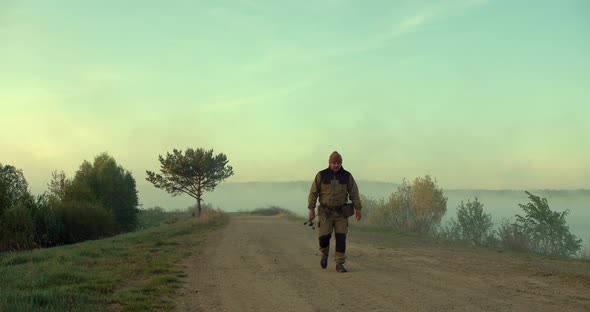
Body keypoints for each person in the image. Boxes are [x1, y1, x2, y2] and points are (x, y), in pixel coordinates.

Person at [308, 151, 362, 272]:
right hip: (325, 213)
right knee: (323, 237)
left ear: (341, 163)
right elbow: (313, 193)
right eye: (333, 163)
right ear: (329, 163)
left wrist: (358, 208)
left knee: (341, 238)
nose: (336, 165)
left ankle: (339, 263)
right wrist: (311, 209)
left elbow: (354, 193)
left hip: (341, 213)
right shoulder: (321, 175)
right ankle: (324, 254)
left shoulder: (347, 176)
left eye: (338, 163)